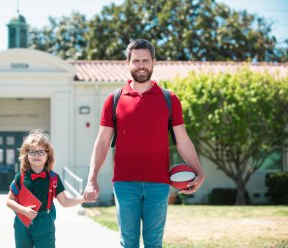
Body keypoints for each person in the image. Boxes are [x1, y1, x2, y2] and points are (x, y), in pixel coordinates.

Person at [83, 39, 205, 248]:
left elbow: (183, 139)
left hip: (159, 183)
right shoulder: (114, 99)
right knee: (128, 242)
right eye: (136, 60)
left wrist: (199, 172)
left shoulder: (169, 99)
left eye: (145, 60)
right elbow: (102, 142)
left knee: (153, 243)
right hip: (124, 183)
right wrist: (91, 178)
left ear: (154, 62)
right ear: (127, 62)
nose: (141, 65)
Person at [6, 129, 85, 248]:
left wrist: (84, 198)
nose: (36, 155)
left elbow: (65, 202)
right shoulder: (20, 177)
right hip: (22, 223)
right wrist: (23, 210)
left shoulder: (53, 178)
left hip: (45, 223)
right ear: (26, 154)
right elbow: (9, 200)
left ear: (48, 155)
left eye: (41, 151)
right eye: (32, 151)